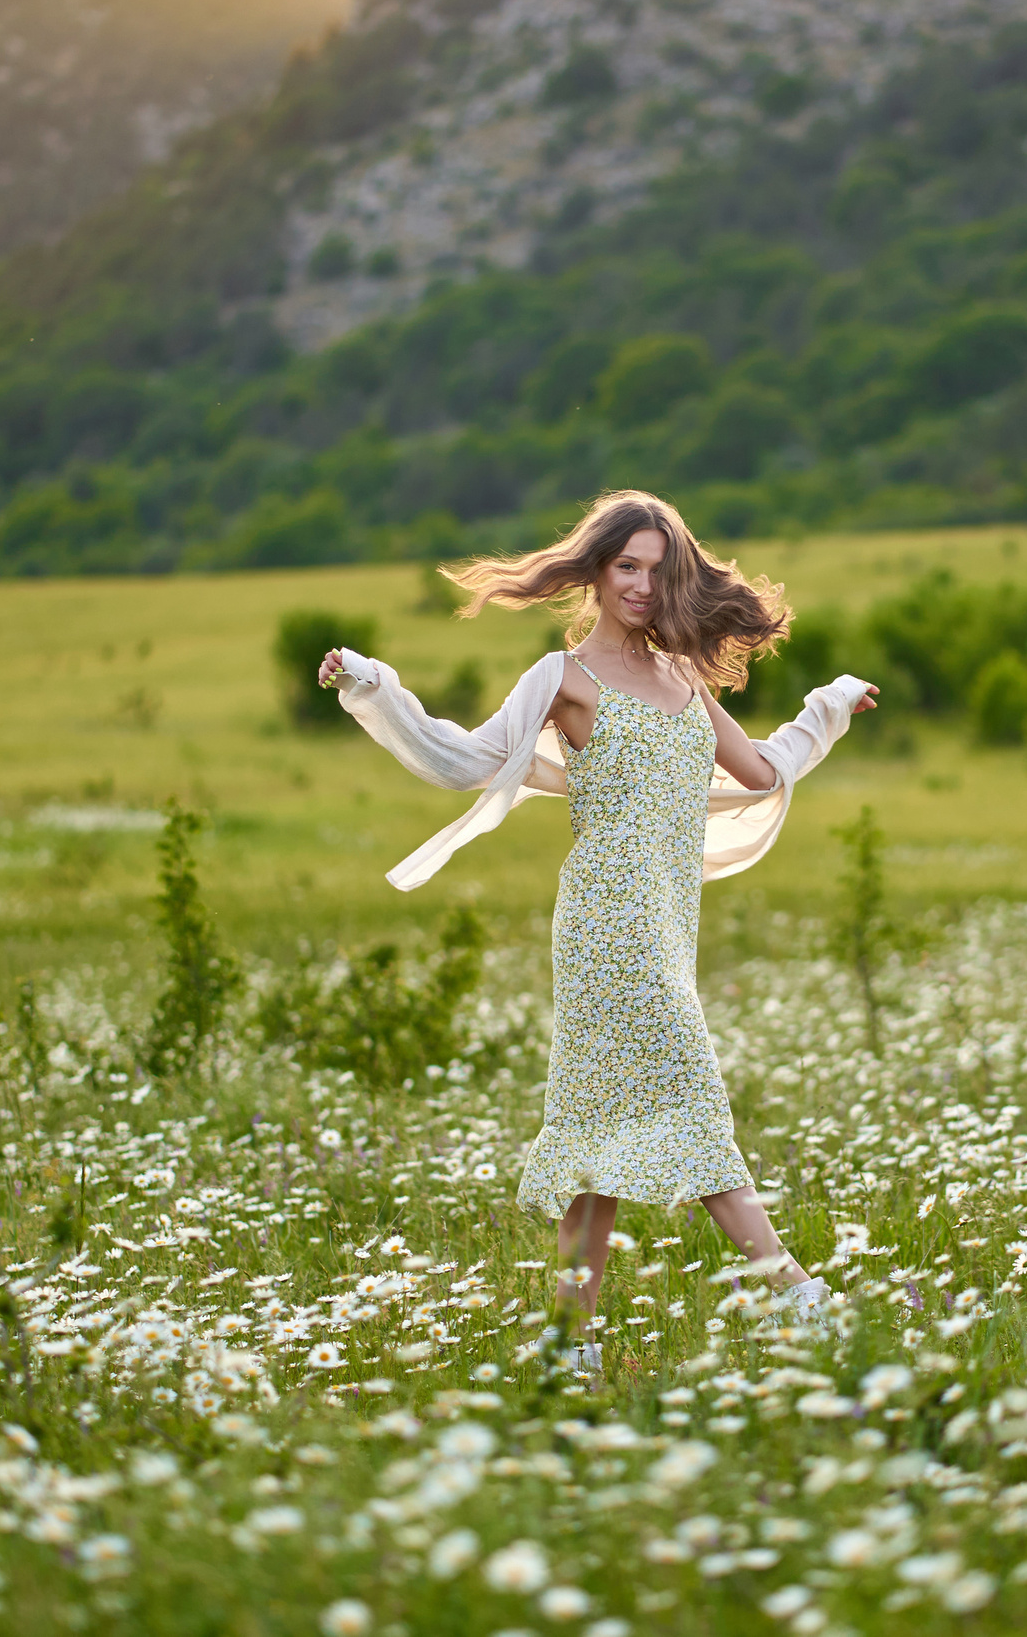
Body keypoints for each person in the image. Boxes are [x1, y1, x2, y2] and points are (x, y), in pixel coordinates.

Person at [317, 490, 878, 1369]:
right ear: (596, 570)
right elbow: (464, 758)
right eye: (628, 566)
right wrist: (372, 685)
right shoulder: (562, 677)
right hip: (603, 927)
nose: (644, 587)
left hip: (665, 926)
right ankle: (800, 1298)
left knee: (596, 1154)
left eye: (659, 569)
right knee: (695, 1100)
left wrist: (830, 703)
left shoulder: (684, 682)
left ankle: (567, 1346)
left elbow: (764, 773)